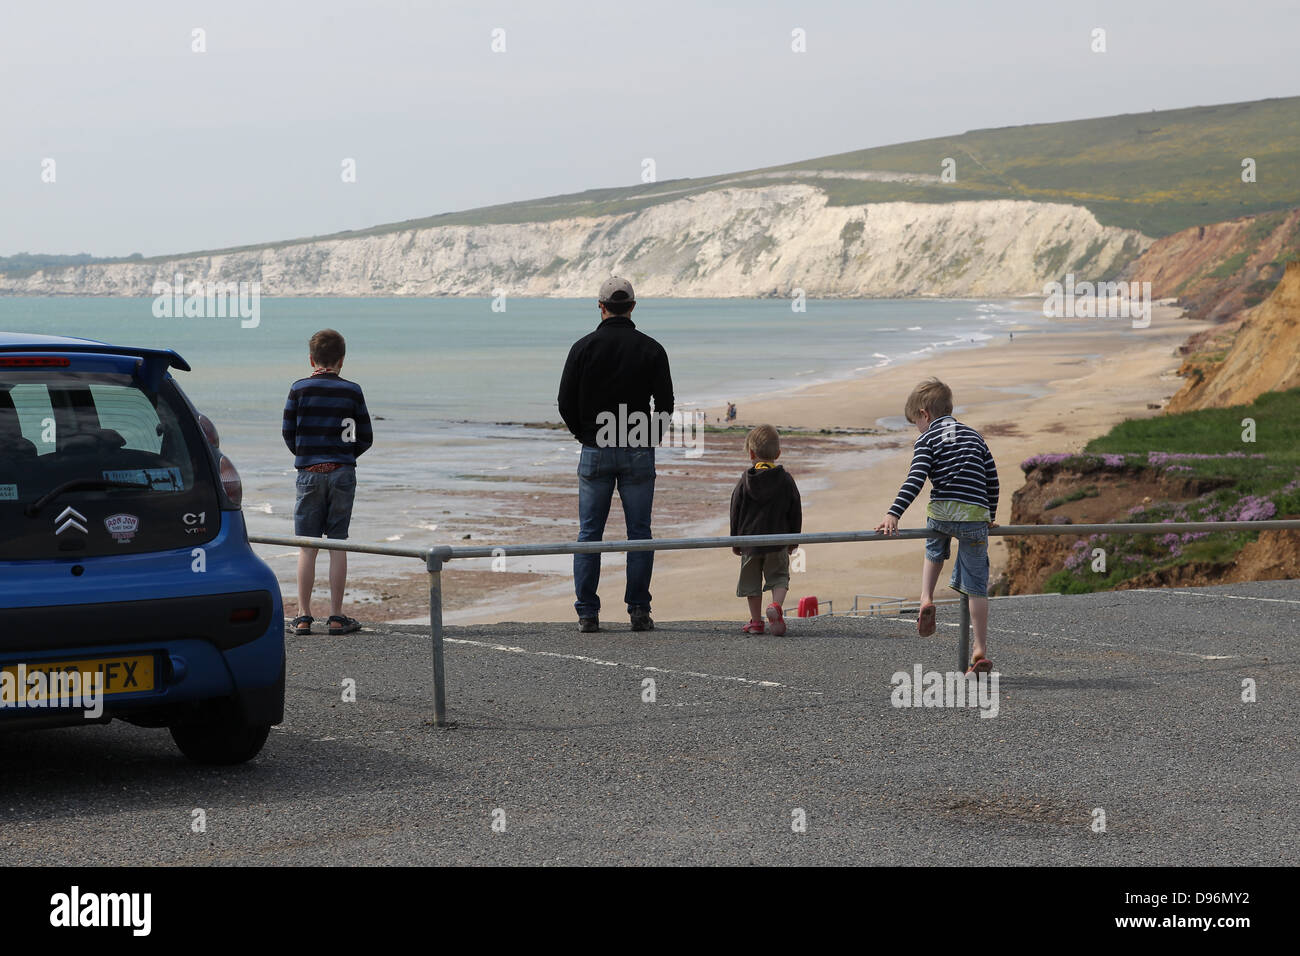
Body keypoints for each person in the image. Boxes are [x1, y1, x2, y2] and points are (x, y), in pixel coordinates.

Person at [558, 277, 673, 633]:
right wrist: (648, 437)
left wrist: (585, 434)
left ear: (601, 306)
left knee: (589, 533)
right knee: (639, 532)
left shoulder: (583, 348)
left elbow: (565, 401)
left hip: (596, 448)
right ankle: (639, 609)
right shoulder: (651, 349)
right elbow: (665, 404)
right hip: (638, 447)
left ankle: (587, 613)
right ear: (633, 307)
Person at [875, 378, 999, 673]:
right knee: (977, 585)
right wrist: (989, 513)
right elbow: (992, 480)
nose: (916, 428)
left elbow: (915, 480)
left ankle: (926, 598)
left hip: (943, 513)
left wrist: (894, 514)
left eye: (914, 422)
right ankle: (979, 649)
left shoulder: (927, 439)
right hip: (975, 516)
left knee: (934, 546)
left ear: (924, 414)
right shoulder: (974, 436)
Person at [282, 329, 373, 636]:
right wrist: (345, 455)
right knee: (337, 542)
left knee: (307, 546)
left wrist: (306, 455)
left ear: (311, 359)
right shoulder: (352, 391)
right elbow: (366, 436)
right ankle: (336, 615)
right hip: (342, 473)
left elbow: (287, 432)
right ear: (342, 361)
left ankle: (303, 615)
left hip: (309, 472)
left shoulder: (299, 389)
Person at [730, 425, 802, 635]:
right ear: (778, 454)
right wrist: (793, 541)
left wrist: (735, 542)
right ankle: (776, 606)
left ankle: (755, 622)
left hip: (750, 543)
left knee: (751, 584)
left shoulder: (745, 481)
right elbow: (795, 510)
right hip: (778, 541)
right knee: (779, 577)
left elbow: (735, 511)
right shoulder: (786, 480)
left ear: (751, 454)